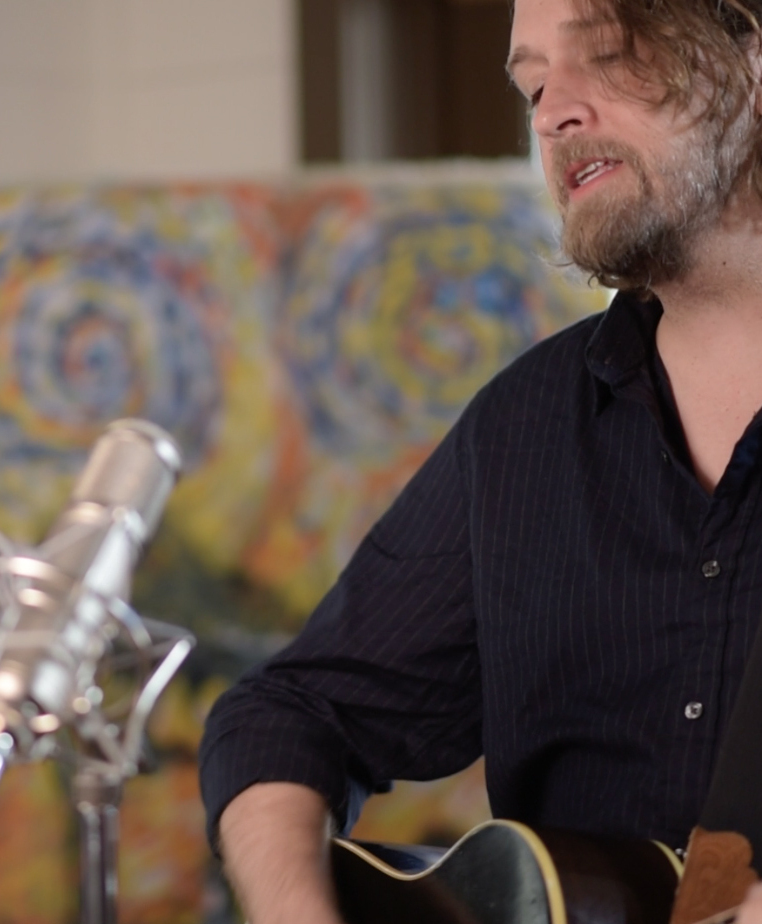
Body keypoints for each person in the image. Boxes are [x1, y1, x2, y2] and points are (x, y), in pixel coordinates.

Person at [198, 0, 762, 921]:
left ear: (748, 50)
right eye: (532, 82)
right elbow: (292, 714)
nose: (550, 113)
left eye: (607, 54)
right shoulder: (524, 427)